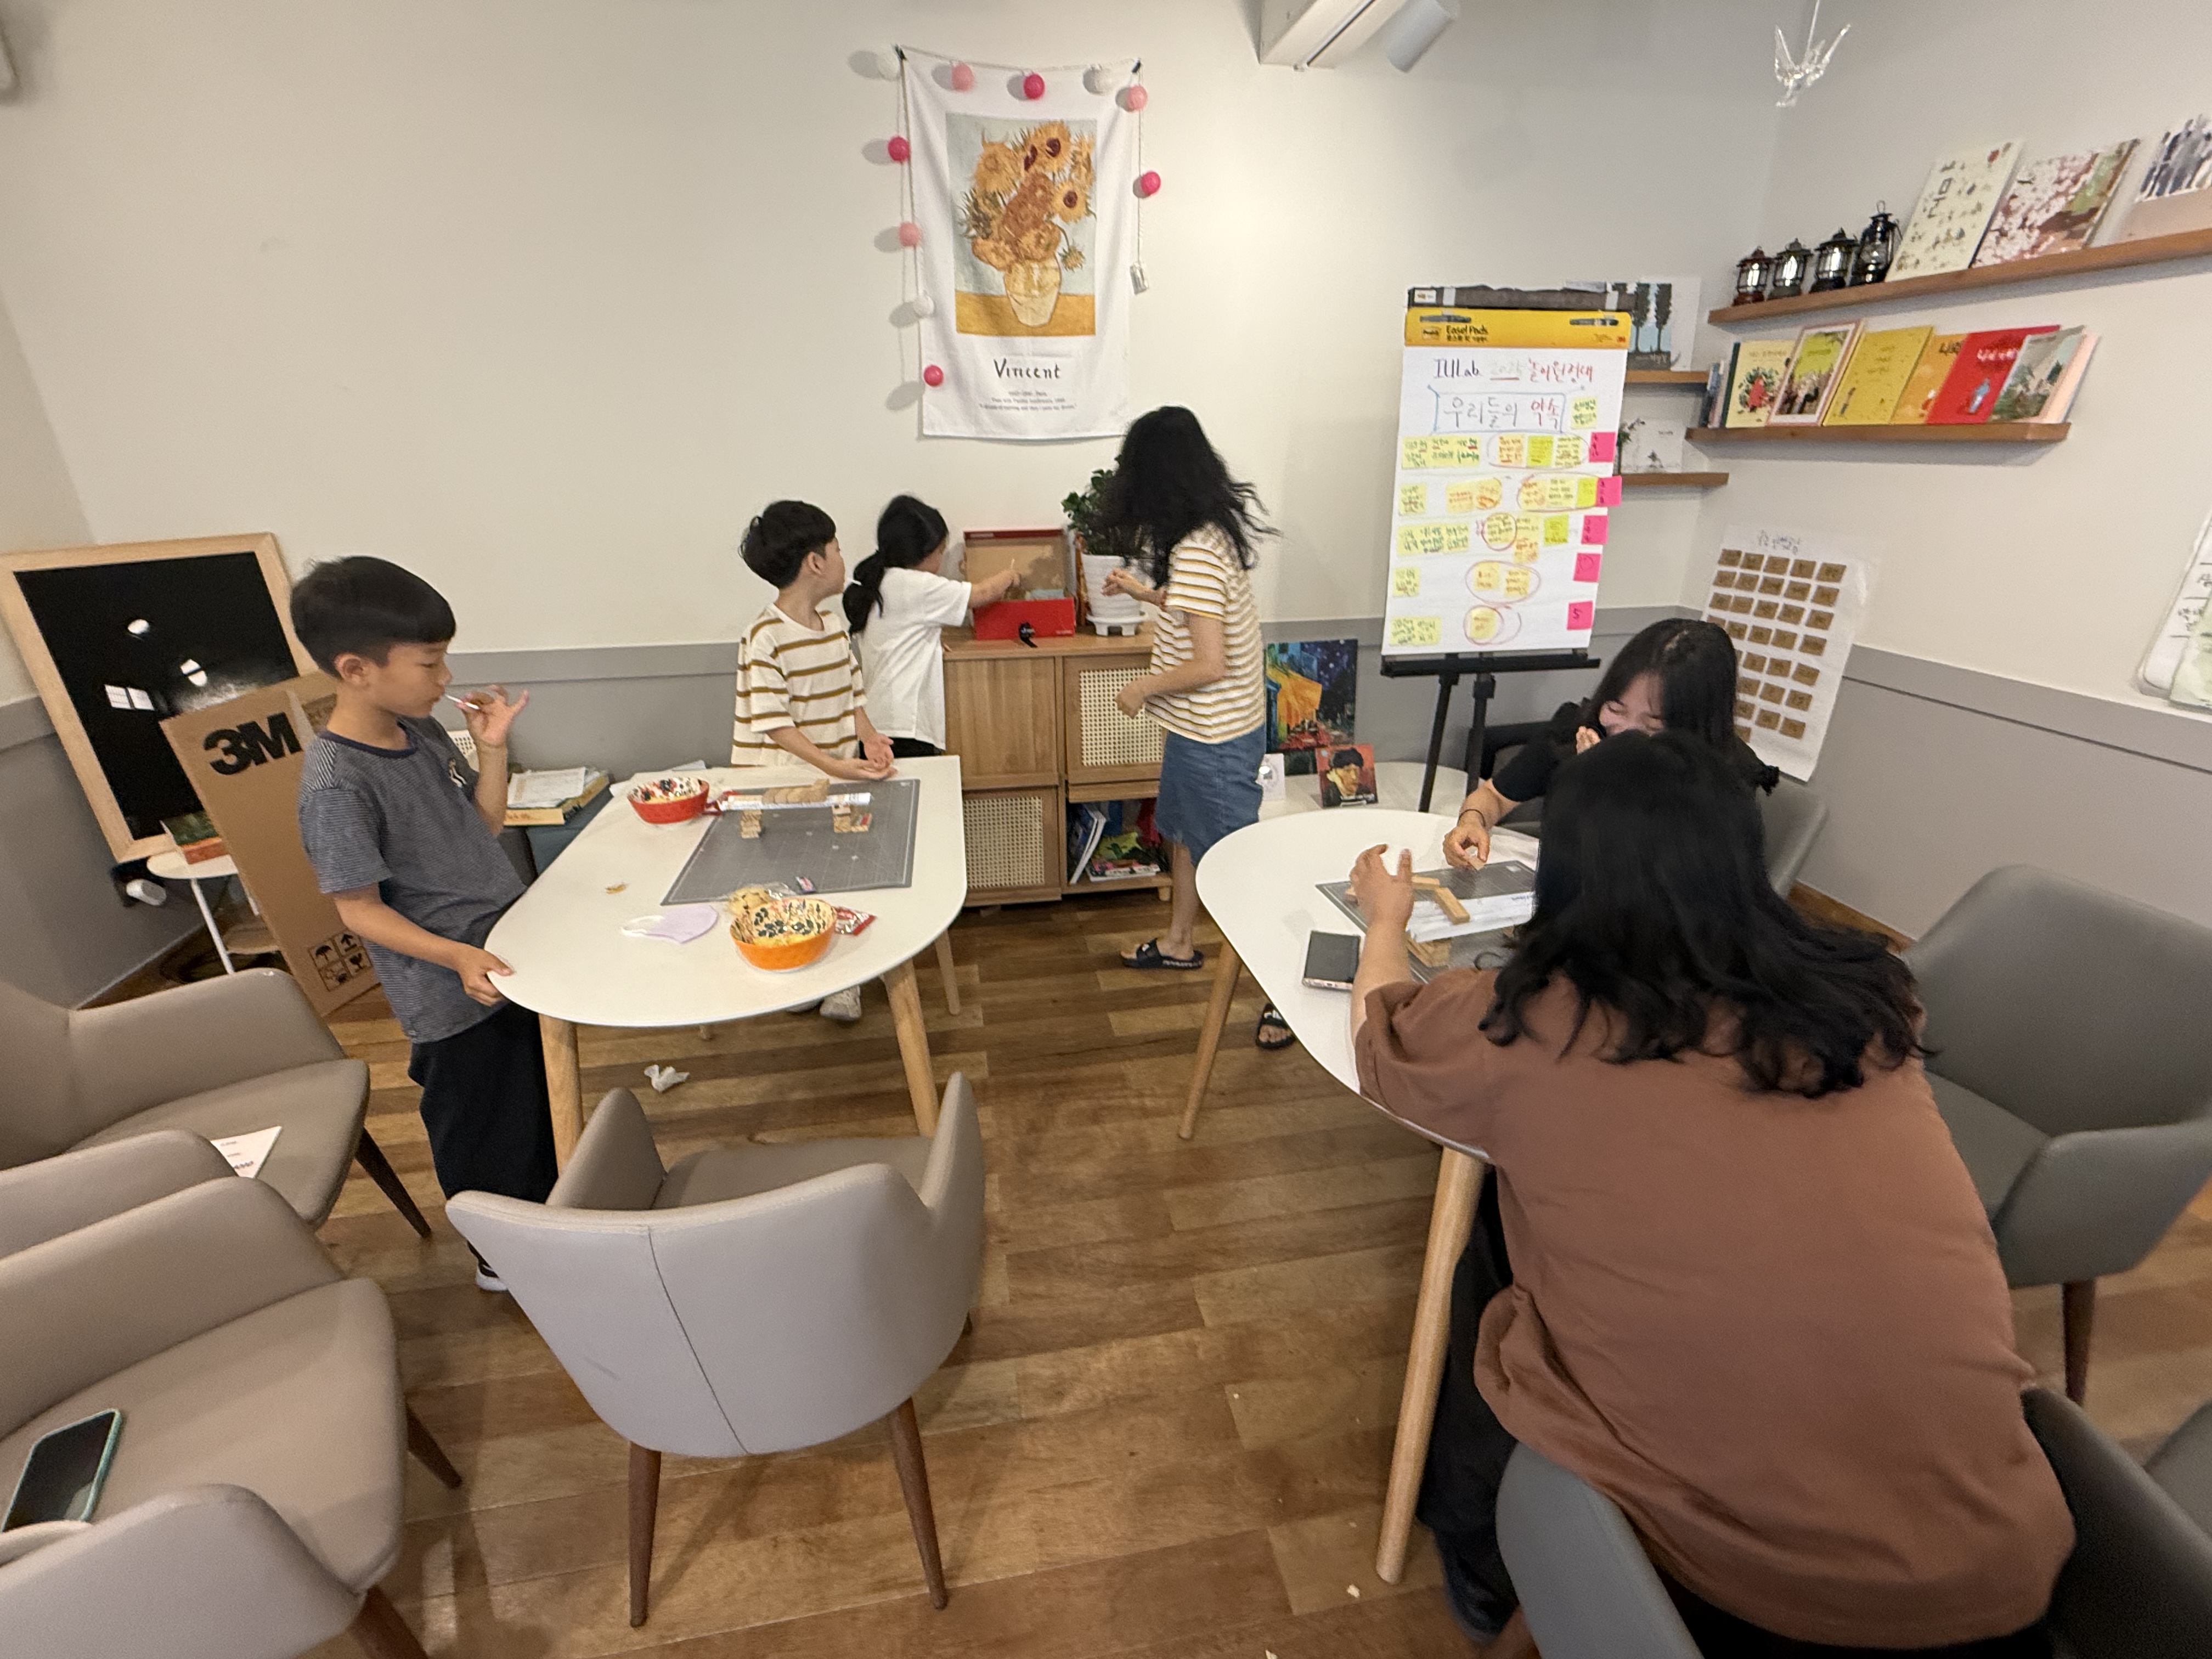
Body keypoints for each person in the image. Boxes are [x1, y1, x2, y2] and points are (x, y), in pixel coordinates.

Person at [1346, 731, 2072, 1657]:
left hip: (1748, 1599)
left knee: (1499, 1245)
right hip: (2007, 1560)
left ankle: (1482, 1558)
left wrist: (1384, 921)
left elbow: (1384, 1035)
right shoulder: (1869, 998)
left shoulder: (1532, 1023)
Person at [291, 556, 558, 1293]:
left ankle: (545, 1219)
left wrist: (493, 747)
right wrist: (456, 957)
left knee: (528, 1102)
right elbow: (358, 909)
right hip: (448, 991)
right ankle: (498, 1256)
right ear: (356, 670)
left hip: (501, 957)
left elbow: (484, 824)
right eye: (430, 662)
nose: (446, 677)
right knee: (477, 1122)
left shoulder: (422, 732)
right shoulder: (336, 783)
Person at [1092, 408, 1288, 1050]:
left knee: (1238, 867)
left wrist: (1143, 687)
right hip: (1202, 731)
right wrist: (1145, 594)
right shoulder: (1207, 535)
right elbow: (1204, 612)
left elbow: (1210, 663)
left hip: (1217, 739)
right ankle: (1180, 943)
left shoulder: (1197, 548)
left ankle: (1283, 992)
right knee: (1181, 836)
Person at [733, 499, 895, 1022]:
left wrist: (869, 740)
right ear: (816, 562)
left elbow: (853, 697)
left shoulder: (833, 627)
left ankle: (844, 982)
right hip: (778, 790)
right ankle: (802, 971)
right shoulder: (765, 637)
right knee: (791, 883)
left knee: (843, 875)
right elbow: (774, 725)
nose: (844, 558)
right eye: (838, 549)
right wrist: (833, 765)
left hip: (834, 783)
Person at [1444, 616, 1776, 870]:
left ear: (1694, 726)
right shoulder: (1580, 728)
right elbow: (1495, 795)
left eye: (1653, 724)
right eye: (1616, 708)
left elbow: (1655, 880)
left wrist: (1600, 784)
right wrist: (1472, 821)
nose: (1625, 731)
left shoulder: (1726, 776)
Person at [844, 494, 1019, 758]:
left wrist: (931, 644)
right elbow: (982, 594)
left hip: (878, 721)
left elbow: (902, 635)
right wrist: (1010, 576)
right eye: (940, 552)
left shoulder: (882, 581)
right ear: (921, 553)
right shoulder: (916, 585)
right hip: (905, 726)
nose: (941, 560)